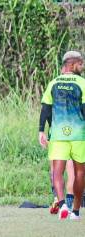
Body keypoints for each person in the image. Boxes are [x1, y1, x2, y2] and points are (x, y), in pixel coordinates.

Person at [39, 50, 85, 220]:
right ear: (72, 64)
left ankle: (62, 203)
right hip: (79, 134)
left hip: (58, 134)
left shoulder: (53, 83)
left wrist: (41, 130)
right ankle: (76, 211)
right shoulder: (82, 83)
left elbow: (45, 108)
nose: (82, 67)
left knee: (56, 172)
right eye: (81, 64)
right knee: (80, 172)